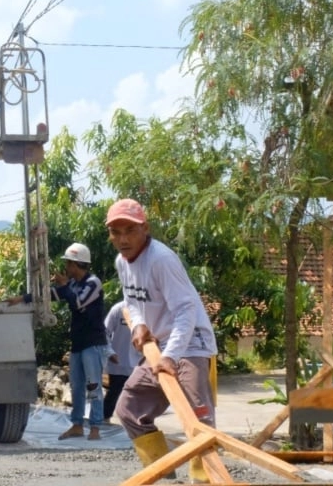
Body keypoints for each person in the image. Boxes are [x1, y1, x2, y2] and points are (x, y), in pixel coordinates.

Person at [107, 198, 217, 483]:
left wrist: (172, 355)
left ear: (145, 228)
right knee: (128, 410)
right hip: (158, 349)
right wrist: (140, 325)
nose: (122, 239)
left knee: (198, 418)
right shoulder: (122, 262)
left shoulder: (162, 259)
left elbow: (185, 310)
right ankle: (162, 473)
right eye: (115, 232)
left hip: (190, 345)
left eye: (129, 230)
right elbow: (130, 300)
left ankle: (204, 481)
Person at [49, 243, 108, 442]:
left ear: (76, 264)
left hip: (93, 343)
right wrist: (24, 298)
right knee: (77, 387)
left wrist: (64, 286)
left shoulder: (93, 283)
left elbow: (78, 302)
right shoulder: (72, 285)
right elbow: (53, 295)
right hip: (78, 343)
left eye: (68, 263)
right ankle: (76, 425)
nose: (66, 267)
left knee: (93, 387)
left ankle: (95, 427)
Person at [103, 300, 142, 423]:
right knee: (114, 392)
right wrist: (110, 352)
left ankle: (134, 424)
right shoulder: (118, 309)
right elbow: (105, 332)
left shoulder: (147, 309)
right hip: (118, 361)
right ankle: (105, 420)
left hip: (140, 362)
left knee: (137, 395)